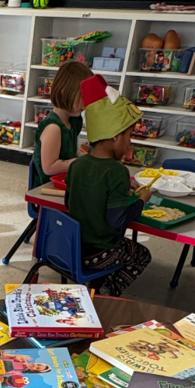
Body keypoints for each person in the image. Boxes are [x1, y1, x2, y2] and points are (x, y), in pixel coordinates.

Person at [65, 74, 152, 296]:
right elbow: (118, 219)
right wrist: (141, 200)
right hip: (98, 253)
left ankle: (99, 283)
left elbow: (70, 202)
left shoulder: (77, 165)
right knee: (142, 255)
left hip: (71, 247)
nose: (129, 144)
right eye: (129, 136)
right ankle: (106, 293)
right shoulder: (117, 171)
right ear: (115, 137)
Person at [31, 60, 92, 184]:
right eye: (82, 97)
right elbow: (49, 167)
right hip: (47, 187)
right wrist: (80, 162)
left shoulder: (73, 121)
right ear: (65, 91)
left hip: (65, 181)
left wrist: (86, 157)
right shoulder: (53, 128)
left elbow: (68, 151)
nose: (85, 104)